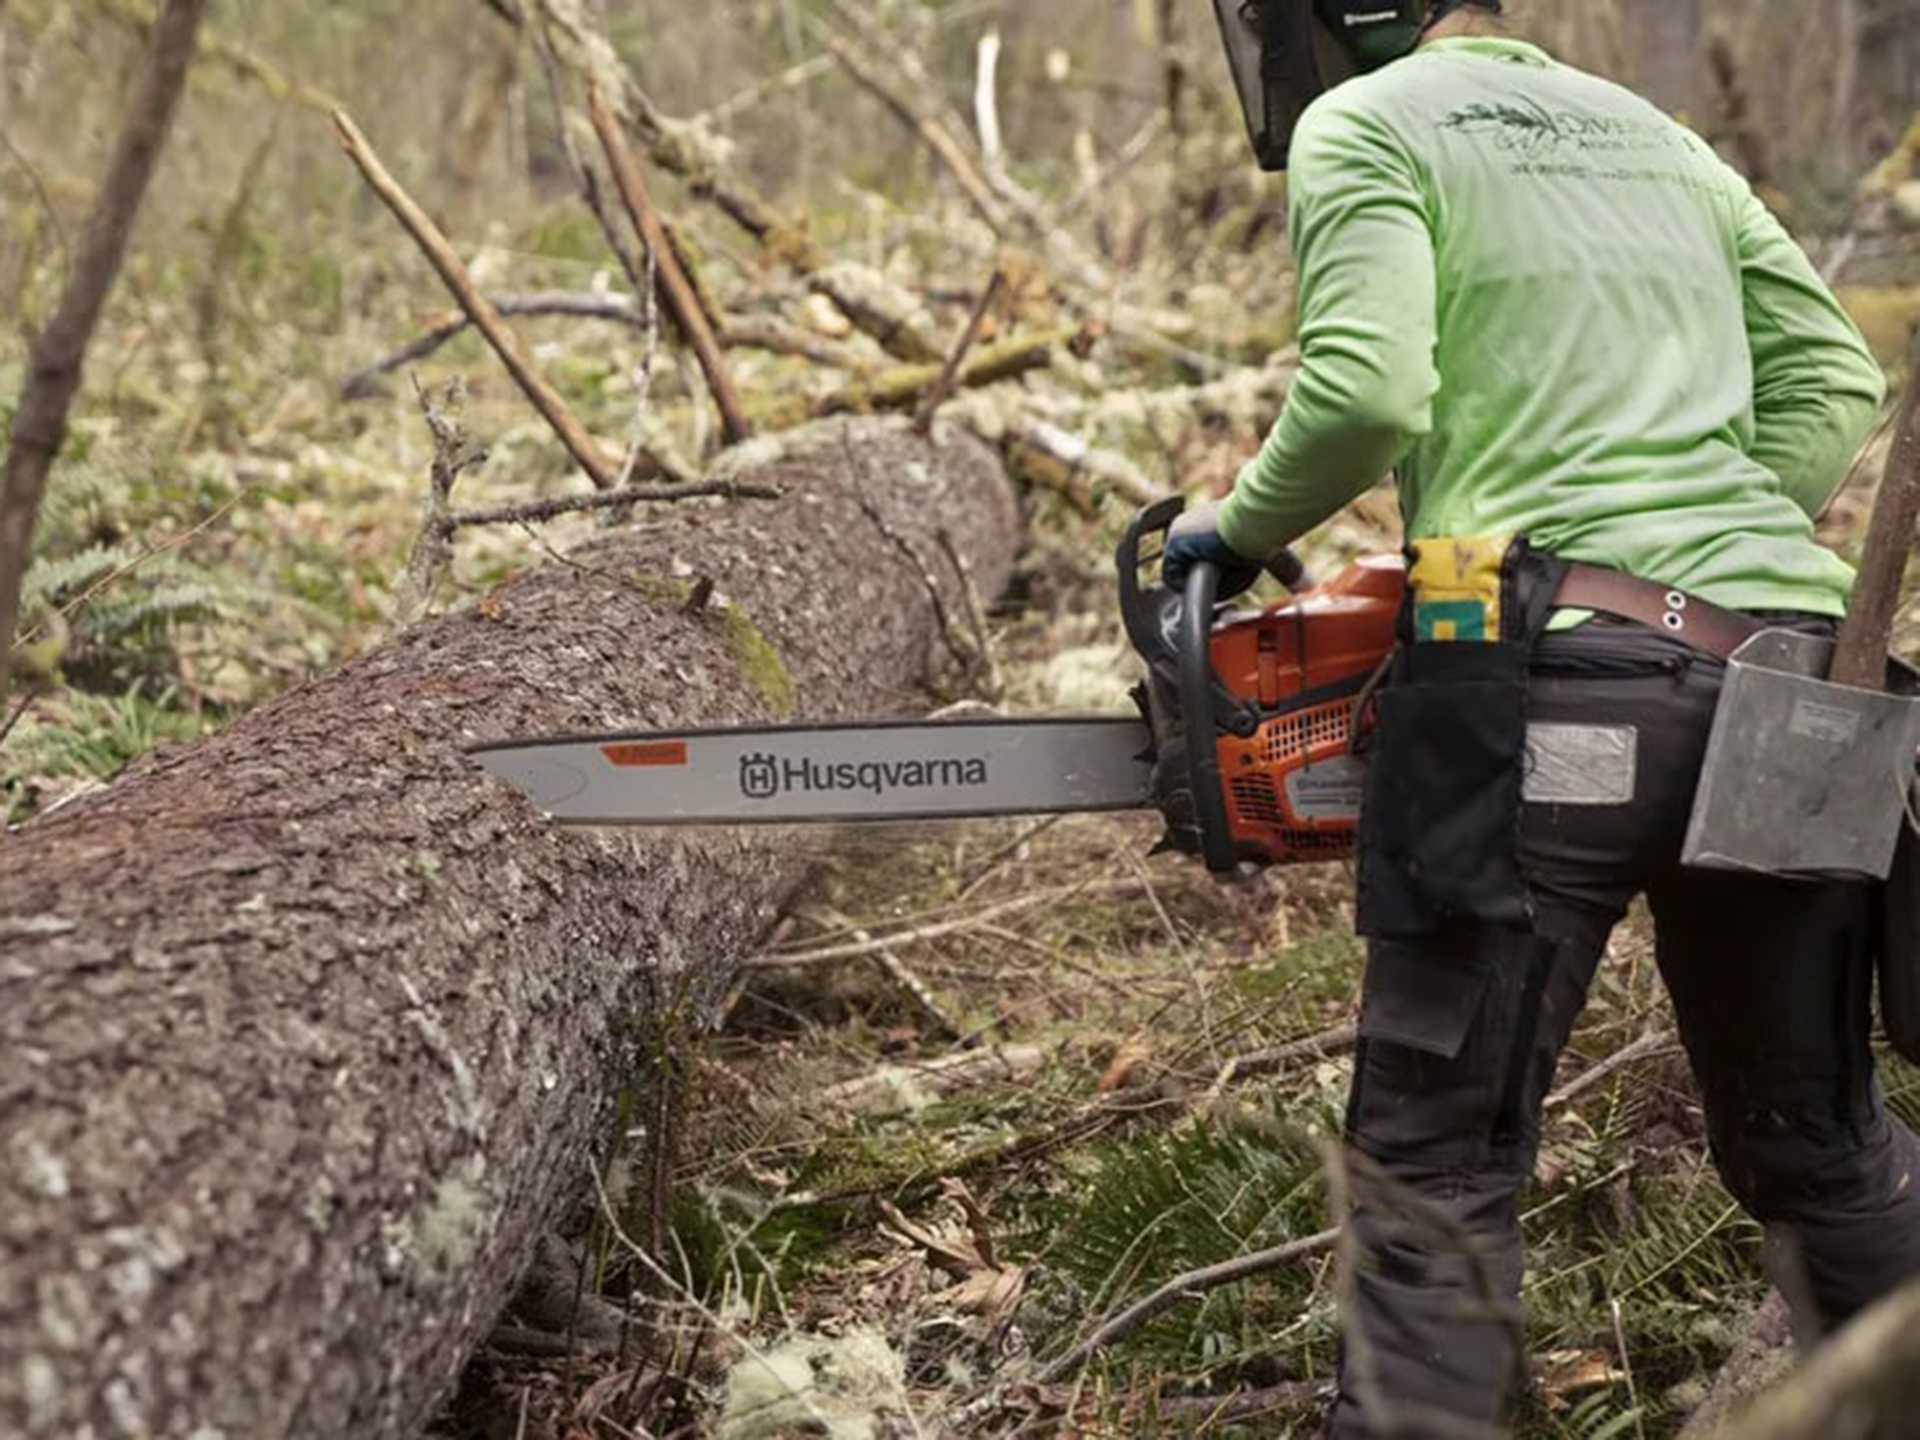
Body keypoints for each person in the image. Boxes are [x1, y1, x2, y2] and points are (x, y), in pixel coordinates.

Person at [1165, 2, 1920, 1435]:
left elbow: (1369, 393)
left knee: (1434, 1173)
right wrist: (1702, 539)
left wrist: (1237, 524)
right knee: (1820, 1147)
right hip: (1792, 677)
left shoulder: (1370, 122)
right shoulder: (1659, 135)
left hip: (1538, 680)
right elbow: (1834, 374)